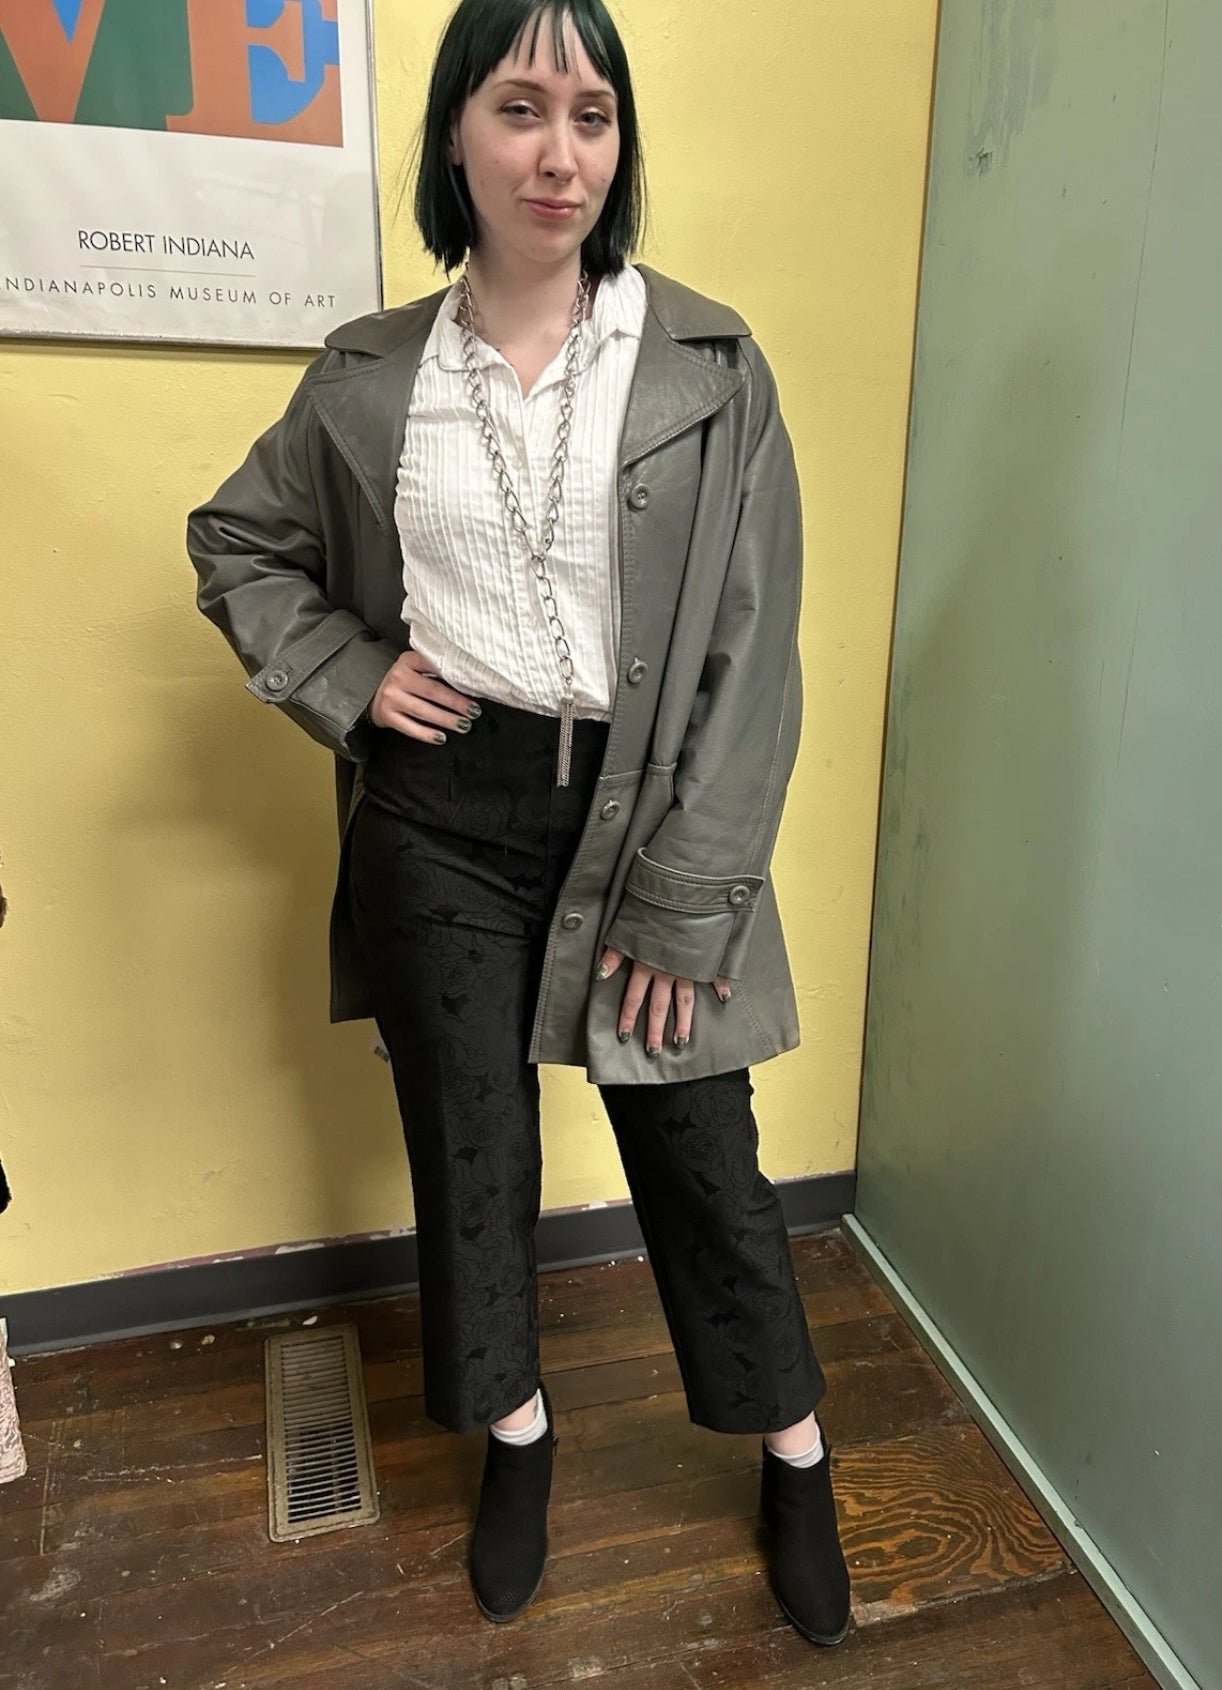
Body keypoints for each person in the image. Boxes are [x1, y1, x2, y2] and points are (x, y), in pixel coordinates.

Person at [187, 0, 851, 1649]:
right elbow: (236, 541)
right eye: (521, 107)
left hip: (643, 813)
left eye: (593, 116)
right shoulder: (369, 377)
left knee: (699, 1146)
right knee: (469, 1145)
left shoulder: (707, 365)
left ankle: (797, 1457)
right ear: (457, 138)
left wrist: (688, 893)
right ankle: (520, 1436)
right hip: (441, 817)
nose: (561, 153)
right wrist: (351, 675)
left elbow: (754, 654)